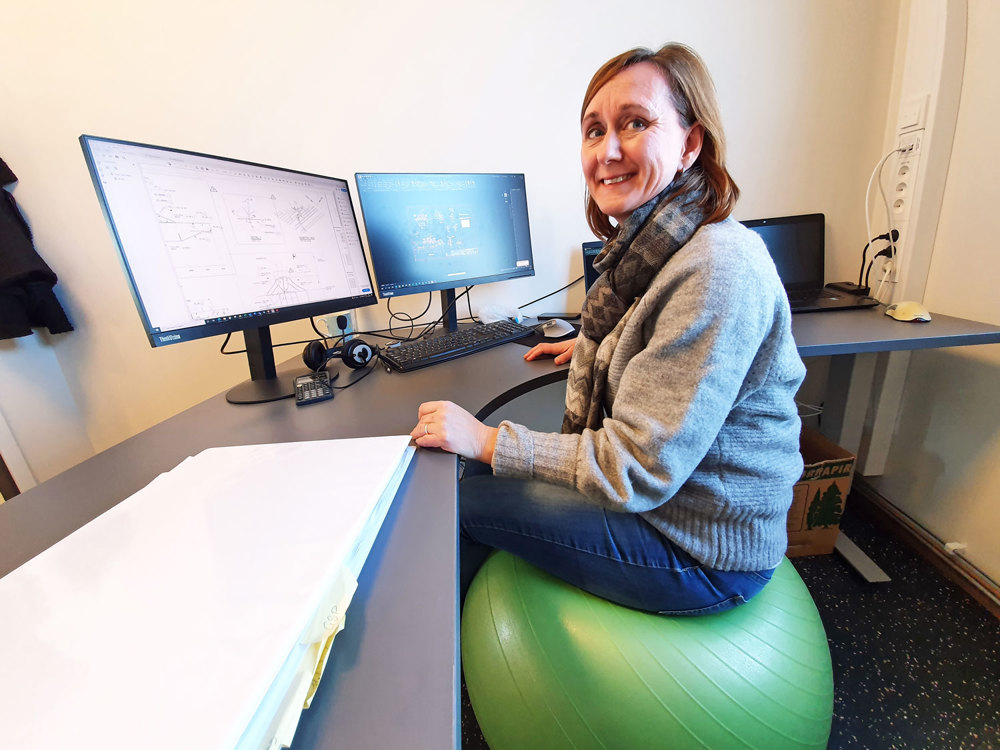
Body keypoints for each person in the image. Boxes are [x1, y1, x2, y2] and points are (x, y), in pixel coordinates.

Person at [410, 43, 806, 615]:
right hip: (670, 509)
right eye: (594, 131)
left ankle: (438, 679)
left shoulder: (718, 268)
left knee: (468, 501)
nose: (608, 150)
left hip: (699, 551)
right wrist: (599, 349)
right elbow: (663, 347)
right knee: (475, 468)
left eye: (636, 123)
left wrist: (487, 439)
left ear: (691, 143)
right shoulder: (658, 249)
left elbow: (636, 469)